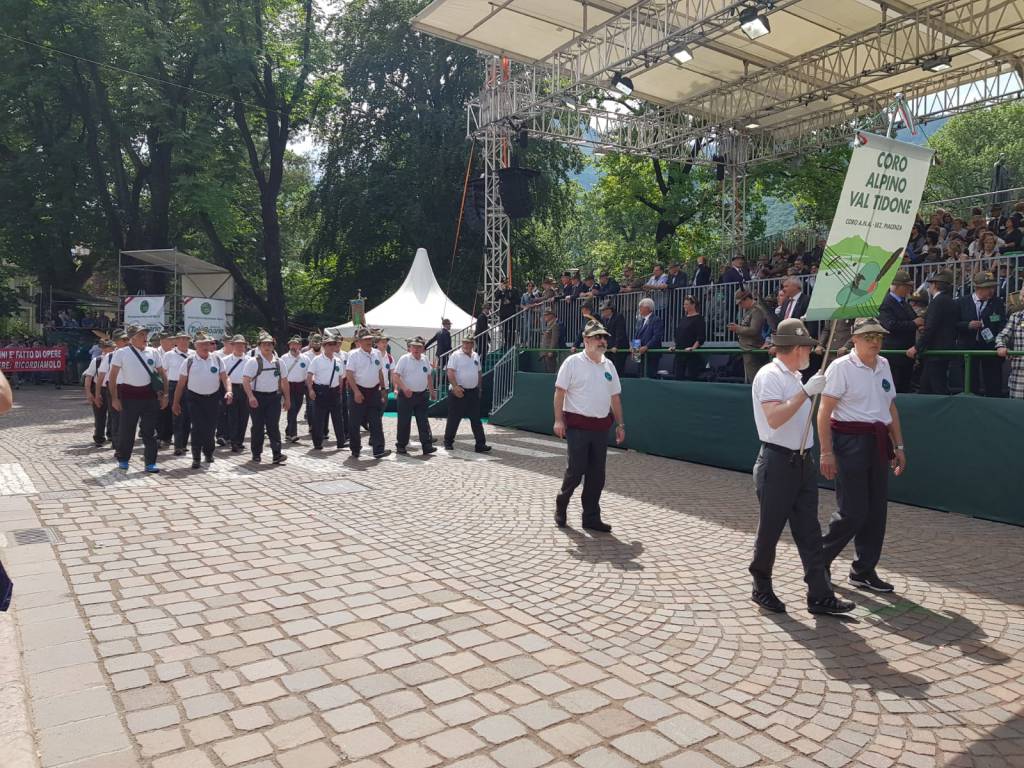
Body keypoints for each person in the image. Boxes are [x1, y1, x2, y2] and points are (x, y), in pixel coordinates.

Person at [748, 318, 854, 615]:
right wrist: (806, 392)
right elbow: (775, 418)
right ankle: (761, 585)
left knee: (809, 530)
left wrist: (804, 389)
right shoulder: (770, 375)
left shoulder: (793, 376)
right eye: (806, 346)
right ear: (795, 348)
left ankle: (820, 594)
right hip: (778, 460)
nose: (810, 351)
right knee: (770, 529)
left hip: (800, 460)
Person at [818, 318, 906, 594]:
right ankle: (818, 561)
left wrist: (899, 446)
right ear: (854, 338)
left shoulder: (884, 364)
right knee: (852, 511)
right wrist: (826, 452)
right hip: (849, 442)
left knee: (876, 511)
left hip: (878, 442)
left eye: (878, 336)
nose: (875, 341)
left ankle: (864, 570)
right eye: (868, 336)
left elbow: (890, 407)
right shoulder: (840, 367)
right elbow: (824, 411)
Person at [553, 320, 625, 533]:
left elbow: (615, 398)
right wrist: (558, 420)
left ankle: (591, 517)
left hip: (601, 428)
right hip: (577, 426)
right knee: (576, 471)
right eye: (597, 337)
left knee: (597, 475)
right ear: (586, 340)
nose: (602, 341)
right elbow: (559, 393)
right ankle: (562, 503)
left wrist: (620, 424)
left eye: (604, 338)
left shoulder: (609, 365)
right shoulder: (572, 363)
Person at [109, 325, 168, 473]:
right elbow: (112, 377)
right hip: (129, 396)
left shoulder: (153, 352)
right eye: (141, 334)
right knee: (127, 431)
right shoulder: (121, 353)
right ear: (132, 338)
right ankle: (123, 459)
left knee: (150, 431)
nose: (145, 337)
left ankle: (150, 462)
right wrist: (114, 399)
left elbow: (162, 374)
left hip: (149, 396)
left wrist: (165, 395)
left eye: (145, 334)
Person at [173, 332, 232, 469]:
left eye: (208, 343)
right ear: (196, 346)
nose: (206, 346)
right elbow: (181, 384)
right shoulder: (189, 361)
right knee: (198, 428)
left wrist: (229, 391)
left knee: (211, 428)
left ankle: (209, 453)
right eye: (203, 344)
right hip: (195, 398)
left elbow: (225, 377)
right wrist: (175, 403)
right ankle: (196, 457)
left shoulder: (217, 359)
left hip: (212, 398)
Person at [954, 271, 1006, 397]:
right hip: (968, 347)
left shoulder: (997, 302)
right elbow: (954, 324)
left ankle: (994, 404)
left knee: (993, 381)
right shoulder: (962, 302)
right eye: (988, 287)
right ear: (978, 288)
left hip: (990, 347)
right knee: (970, 381)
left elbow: (1001, 323)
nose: (991, 290)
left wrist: (998, 342)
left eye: (992, 287)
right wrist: (968, 325)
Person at [241, 331, 290, 464]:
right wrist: (251, 396)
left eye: (269, 344)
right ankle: (256, 453)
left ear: (273, 346)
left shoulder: (279, 362)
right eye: (264, 344)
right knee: (257, 426)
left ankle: (277, 454)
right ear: (259, 346)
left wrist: (287, 399)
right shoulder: (253, 362)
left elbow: (284, 381)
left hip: (274, 397)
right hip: (257, 397)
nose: (267, 347)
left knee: (273, 426)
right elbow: (245, 381)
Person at [908, 270, 957, 394]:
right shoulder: (950, 301)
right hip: (942, 350)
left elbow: (932, 328)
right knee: (926, 386)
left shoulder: (937, 302)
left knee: (936, 387)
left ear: (934, 285)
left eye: (930, 284)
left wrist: (917, 347)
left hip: (936, 351)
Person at [346, 328, 391, 459]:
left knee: (376, 422)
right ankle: (355, 449)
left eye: (370, 339)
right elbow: (349, 374)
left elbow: (380, 372)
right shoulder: (353, 354)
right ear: (359, 342)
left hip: (374, 392)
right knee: (354, 422)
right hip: (359, 390)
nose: (369, 341)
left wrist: (383, 390)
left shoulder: (377, 353)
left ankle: (378, 449)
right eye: (365, 339)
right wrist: (356, 392)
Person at [444, 336, 490, 453]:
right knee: (454, 418)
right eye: (465, 343)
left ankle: (480, 444)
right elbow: (450, 372)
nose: (467, 345)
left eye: (469, 343)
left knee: (476, 419)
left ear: (473, 344)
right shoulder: (455, 355)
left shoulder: (475, 355)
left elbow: (479, 372)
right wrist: (455, 387)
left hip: (472, 391)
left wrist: (479, 388)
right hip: (459, 391)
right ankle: (448, 442)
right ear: (462, 343)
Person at [393, 337, 438, 455]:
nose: (416, 349)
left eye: (418, 347)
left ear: (423, 348)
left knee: (423, 421)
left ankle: (427, 445)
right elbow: (396, 376)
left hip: (421, 394)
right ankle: (401, 445)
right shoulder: (404, 359)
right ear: (410, 347)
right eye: (414, 346)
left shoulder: (425, 359)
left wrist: (432, 391)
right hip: (406, 395)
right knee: (404, 421)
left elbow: (428, 376)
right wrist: (404, 388)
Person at [878, 270, 921, 393]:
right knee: (893, 387)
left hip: (906, 354)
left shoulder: (904, 303)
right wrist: (914, 324)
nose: (909, 288)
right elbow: (889, 325)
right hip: (893, 355)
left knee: (904, 386)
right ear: (897, 286)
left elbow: (914, 318)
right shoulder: (886, 303)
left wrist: (919, 324)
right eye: (906, 286)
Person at [307, 333, 347, 450]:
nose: (331, 347)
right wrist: (310, 390)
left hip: (334, 392)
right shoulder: (317, 360)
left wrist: (340, 389)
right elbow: (309, 376)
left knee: (338, 418)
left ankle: (341, 441)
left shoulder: (338, 360)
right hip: (321, 391)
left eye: (333, 344)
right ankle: (317, 443)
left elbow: (340, 376)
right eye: (329, 344)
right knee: (318, 418)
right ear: (324, 346)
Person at [96, 330, 128, 449]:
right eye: (123, 340)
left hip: (130, 388)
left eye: (126, 339)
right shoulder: (109, 357)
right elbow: (101, 376)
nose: (125, 342)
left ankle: (125, 441)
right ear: (116, 342)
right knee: (116, 417)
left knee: (128, 417)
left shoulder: (133, 354)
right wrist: (97, 394)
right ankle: (117, 443)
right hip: (114, 388)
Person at [729, 289, 767, 384]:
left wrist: (737, 328)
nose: (740, 305)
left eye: (741, 302)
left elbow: (754, 330)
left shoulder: (757, 310)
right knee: (750, 379)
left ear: (747, 299)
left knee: (755, 380)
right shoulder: (749, 311)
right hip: (748, 348)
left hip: (754, 349)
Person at [163, 332, 191, 456]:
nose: (184, 342)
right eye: (181, 339)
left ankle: (184, 444)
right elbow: (163, 372)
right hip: (174, 385)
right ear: (176, 341)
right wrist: (164, 390)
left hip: (190, 386)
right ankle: (178, 445)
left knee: (188, 417)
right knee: (177, 416)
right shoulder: (169, 355)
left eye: (186, 339)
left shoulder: (194, 354)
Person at [83, 339, 114, 446]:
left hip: (113, 388)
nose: (109, 350)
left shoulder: (117, 359)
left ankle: (111, 434)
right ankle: (99, 437)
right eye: (107, 348)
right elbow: (89, 377)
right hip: (100, 388)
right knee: (100, 415)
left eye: (111, 348)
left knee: (113, 414)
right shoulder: (96, 361)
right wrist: (88, 393)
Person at [996, 286, 1024, 399]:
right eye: (1022, 295)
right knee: (1017, 410)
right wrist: (1001, 346)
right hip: (1020, 374)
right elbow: (1002, 336)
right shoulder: (1016, 317)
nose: (1022, 299)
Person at [673, 295, 707, 381]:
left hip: (691, 355)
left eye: (687, 304)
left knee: (691, 376)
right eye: (684, 304)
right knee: (678, 376)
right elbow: (679, 334)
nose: (684, 306)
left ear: (693, 305)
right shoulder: (683, 318)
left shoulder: (699, 319)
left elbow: (701, 337)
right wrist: (675, 346)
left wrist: (693, 348)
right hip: (680, 352)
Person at [283, 336, 309, 442]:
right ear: (289, 345)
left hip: (300, 386)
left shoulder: (305, 358)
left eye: (296, 344)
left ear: (300, 346)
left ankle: (288, 430)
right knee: (292, 408)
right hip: (288, 386)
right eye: (292, 344)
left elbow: (308, 374)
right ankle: (293, 434)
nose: (294, 346)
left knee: (296, 409)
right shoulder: (284, 358)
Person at [633, 297, 664, 377]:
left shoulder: (656, 320)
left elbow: (657, 336)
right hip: (640, 354)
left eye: (641, 307)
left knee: (649, 375)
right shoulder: (641, 321)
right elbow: (637, 335)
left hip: (651, 355)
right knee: (640, 374)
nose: (639, 309)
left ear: (647, 308)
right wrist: (634, 348)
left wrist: (646, 346)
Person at [599, 300, 628, 375]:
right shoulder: (604, 319)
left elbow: (620, 333)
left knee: (617, 371)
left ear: (610, 310)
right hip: (609, 349)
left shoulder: (618, 317)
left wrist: (616, 346)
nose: (602, 312)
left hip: (618, 349)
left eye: (604, 310)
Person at [539, 306, 561, 374]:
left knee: (550, 372)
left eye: (547, 314)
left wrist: (551, 351)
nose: (545, 316)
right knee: (546, 372)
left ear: (552, 315)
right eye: (545, 314)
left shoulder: (555, 325)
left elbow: (554, 339)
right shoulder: (549, 325)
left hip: (549, 354)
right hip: (545, 353)